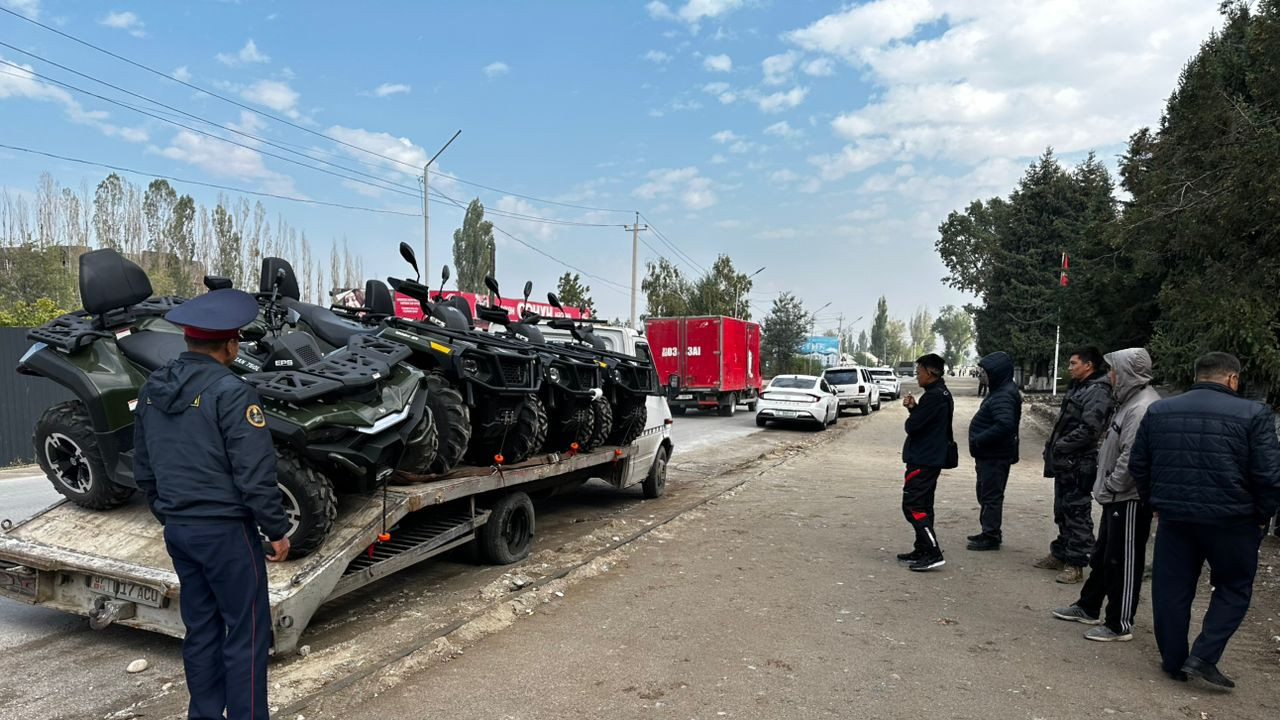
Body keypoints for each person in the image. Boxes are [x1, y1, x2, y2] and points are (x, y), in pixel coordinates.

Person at [134, 288, 291, 720]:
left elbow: (144, 467)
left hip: (179, 530)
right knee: (246, 632)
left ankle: (203, 714)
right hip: (226, 533)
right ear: (231, 345)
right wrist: (276, 529)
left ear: (188, 340)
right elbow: (254, 473)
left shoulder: (151, 389)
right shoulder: (232, 391)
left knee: (201, 630)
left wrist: (170, 514)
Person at [1130, 352, 1280, 688]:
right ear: (1232, 378)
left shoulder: (1160, 411)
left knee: (1170, 590)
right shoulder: (1254, 414)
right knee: (1233, 587)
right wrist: (1262, 515)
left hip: (1175, 519)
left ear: (1197, 375)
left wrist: (1155, 502)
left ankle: (1174, 662)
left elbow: (1139, 464)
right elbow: (1268, 475)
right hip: (1233, 520)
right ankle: (1203, 656)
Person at [1053, 348, 1159, 641]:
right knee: (1103, 555)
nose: (1110, 375)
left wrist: (1112, 485)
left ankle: (1119, 623)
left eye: (1114, 370)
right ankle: (1089, 606)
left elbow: (1132, 457)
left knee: (1123, 560)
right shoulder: (1129, 402)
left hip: (1128, 497)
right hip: (1116, 496)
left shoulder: (1142, 407)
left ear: (1127, 373)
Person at [1039, 346, 1112, 583]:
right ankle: (1061, 553)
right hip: (1066, 462)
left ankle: (1076, 563)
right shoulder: (1080, 387)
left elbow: (1090, 430)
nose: (1069, 368)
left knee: (1077, 512)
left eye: (1073, 363)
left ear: (1088, 365)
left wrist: (1060, 445)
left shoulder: (1097, 391)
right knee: (1062, 510)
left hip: (1079, 462)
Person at [897, 353, 955, 572]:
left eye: (919, 372)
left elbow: (913, 427)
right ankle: (921, 548)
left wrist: (913, 415)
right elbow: (927, 422)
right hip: (930, 457)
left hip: (924, 459)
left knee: (912, 506)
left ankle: (932, 551)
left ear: (931, 373)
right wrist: (914, 408)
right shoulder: (940, 393)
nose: (917, 376)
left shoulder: (934, 397)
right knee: (924, 505)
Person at [966, 351, 1021, 551]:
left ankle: (990, 535)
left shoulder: (1004, 394)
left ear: (996, 372)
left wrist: (979, 440)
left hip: (995, 455)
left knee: (991, 496)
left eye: (986, 372)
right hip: (991, 454)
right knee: (986, 493)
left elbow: (1005, 425)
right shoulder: (1000, 390)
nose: (983, 375)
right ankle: (988, 531)